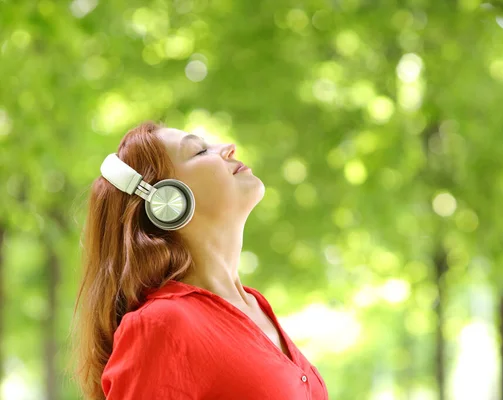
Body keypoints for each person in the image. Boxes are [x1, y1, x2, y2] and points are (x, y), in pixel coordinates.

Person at [68, 121, 329, 399]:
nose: (229, 148)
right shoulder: (161, 325)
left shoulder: (256, 306)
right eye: (200, 152)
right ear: (168, 201)